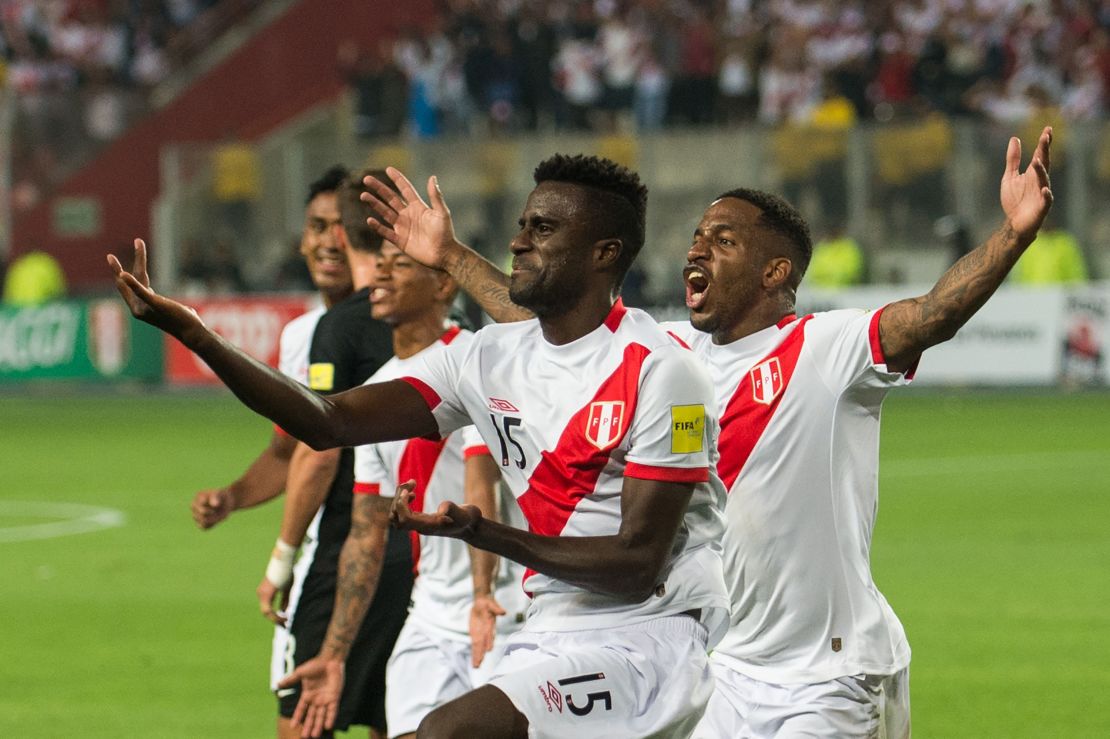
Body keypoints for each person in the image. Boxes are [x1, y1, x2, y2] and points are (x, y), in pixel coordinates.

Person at [373, 127, 1055, 739]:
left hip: (831, 677)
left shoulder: (826, 348)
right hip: (724, 671)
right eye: (697, 238)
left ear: (775, 271)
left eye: (722, 241)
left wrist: (1013, 234)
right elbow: (537, 323)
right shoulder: (670, 359)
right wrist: (452, 255)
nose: (697, 250)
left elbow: (932, 313)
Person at [108, 153, 728, 739]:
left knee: (447, 732)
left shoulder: (662, 373)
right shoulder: (483, 358)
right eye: (521, 225)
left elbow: (636, 565)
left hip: (653, 636)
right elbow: (328, 421)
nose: (517, 241)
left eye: (542, 228)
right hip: (550, 631)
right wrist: (195, 333)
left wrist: (480, 532)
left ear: (604, 253)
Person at [281, 238, 529, 739]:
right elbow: (366, 533)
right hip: (432, 616)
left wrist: (482, 595)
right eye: (380, 266)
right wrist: (333, 655)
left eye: (400, 265)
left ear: (442, 283)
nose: (381, 277)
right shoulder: (378, 394)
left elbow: (482, 483)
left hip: (505, 614)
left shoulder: (476, 363)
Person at [186, 165, 356, 736]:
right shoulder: (303, 335)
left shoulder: (404, 326)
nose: (327, 241)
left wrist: (280, 558)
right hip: (338, 554)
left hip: (373, 553)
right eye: (316, 226)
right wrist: (233, 496)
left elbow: (322, 452)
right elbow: (289, 451)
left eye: (341, 226)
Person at [257, 170, 409, 739]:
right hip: (427, 548)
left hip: (349, 546)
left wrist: (281, 559)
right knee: (397, 716)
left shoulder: (335, 330)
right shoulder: (445, 325)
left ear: (345, 237)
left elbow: (318, 449)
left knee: (303, 718)